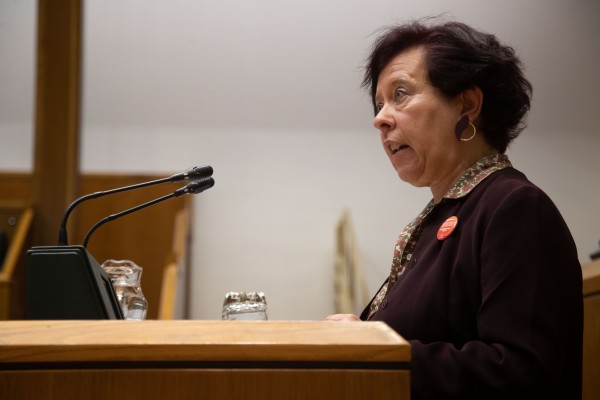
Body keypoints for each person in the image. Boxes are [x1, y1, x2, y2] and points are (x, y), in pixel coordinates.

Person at [326, 20, 582, 400]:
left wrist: (373, 351)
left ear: (468, 105)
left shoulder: (515, 208)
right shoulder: (442, 220)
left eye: (400, 94)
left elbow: (520, 375)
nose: (380, 118)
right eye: (379, 104)